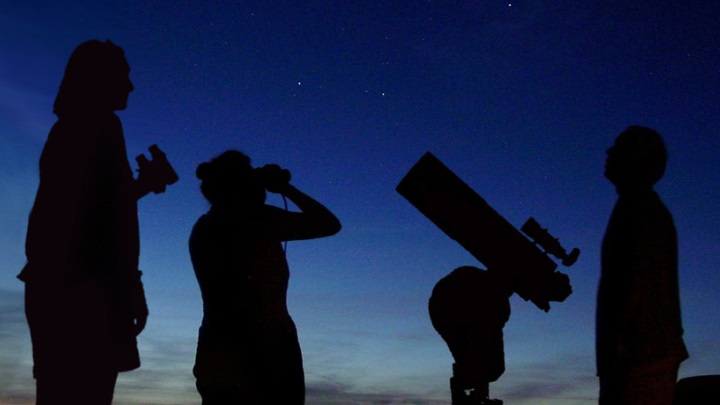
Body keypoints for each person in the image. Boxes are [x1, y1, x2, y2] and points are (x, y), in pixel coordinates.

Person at [18, 40, 171, 404]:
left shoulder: (72, 128)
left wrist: (139, 188)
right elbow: (101, 220)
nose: (131, 86)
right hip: (86, 291)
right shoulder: (102, 125)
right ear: (99, 79)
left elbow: (92, 206)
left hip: (60, 286)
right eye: (124, 76)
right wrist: (131, 287)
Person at [189, 150, 341, 404]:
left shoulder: (205, 227)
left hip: (218, 347)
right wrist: (286, 189)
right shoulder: (257, 220)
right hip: (268, 349)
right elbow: (328, 224)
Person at [596, 126, 689, 404]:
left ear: (637, 158)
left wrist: (620, 353)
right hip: (642, 356)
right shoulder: (643, 207)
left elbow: (634, 282)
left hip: (639, 360)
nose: (609, 152)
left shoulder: (638, 208)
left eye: (619, 147)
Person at [429, 266, 512, 405]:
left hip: (443, 306)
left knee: (486, 368)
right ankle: (468, 386)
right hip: (450, 306)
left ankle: (468, 386)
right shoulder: (492, 299)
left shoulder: (493, 298)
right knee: (491, 368)